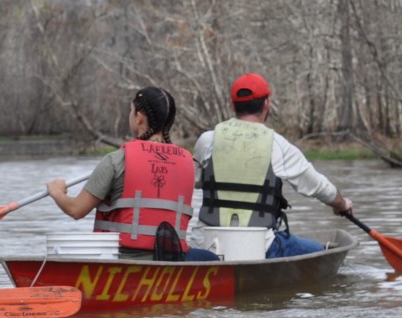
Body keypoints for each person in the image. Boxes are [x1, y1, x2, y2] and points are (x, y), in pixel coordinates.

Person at [46, 87, 218, 261]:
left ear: (139, 117)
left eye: (131, 110)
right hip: (172, 259)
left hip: (123, 259)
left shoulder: (117, 160)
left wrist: (57, 193)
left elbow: (76, 210)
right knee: (208, 257)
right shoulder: (188, 162)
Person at [192, 73, 353, 258]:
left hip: (206, 245)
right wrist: (341, 204)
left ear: (232, 105)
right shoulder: (278, 145)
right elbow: (318, 186)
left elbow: (193, 182)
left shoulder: (207, 141)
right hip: (259, 247)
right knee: (320, 252)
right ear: (266, 103)